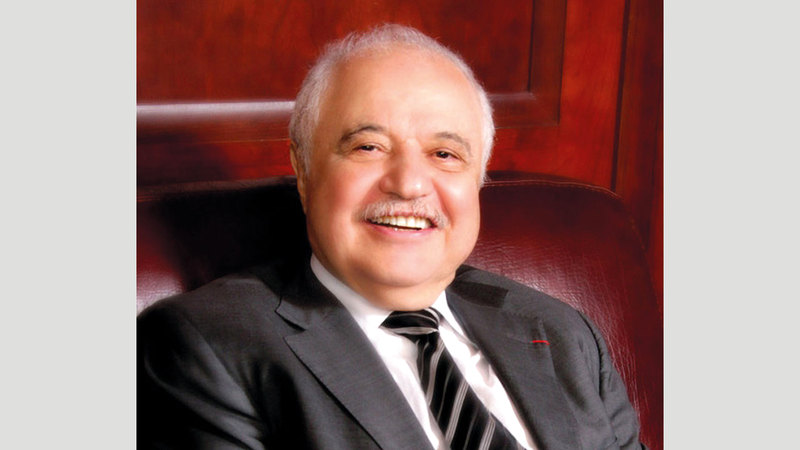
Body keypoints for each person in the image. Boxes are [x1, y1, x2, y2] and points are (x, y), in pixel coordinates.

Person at [138, 24, 644, 449]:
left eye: (445, 154)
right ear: (304, 170)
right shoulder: (204, 346)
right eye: (368, 147)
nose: (409, 183)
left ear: (478, 181)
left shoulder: (562, 332)